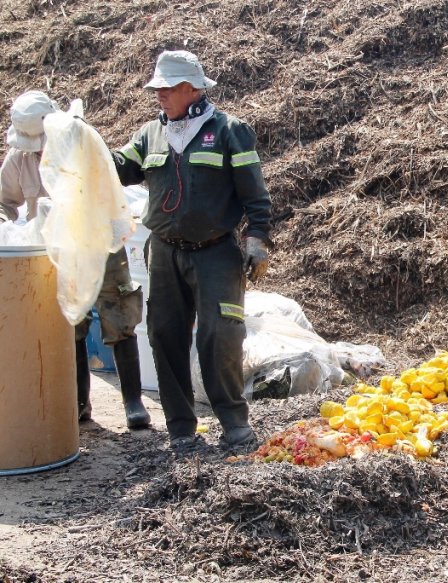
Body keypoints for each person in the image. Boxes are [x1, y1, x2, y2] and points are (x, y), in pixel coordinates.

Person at [112, 50, 273, 450]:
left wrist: (257, 239)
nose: (159, 95)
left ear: (191, 88)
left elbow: (255, 193)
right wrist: (83, 145)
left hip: (215, 252)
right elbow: (119, 167)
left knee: (220, 335)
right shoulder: (150, 133)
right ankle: (181, 428)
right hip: (164, 252)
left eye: (166, 88)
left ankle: (234, 421)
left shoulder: (229, 130)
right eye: (158, 88)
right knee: (165, 335)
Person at [0, 90, 151, 429]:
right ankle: (80, 405)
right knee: (71, 324)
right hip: (56, 253)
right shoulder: (19, 160)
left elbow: (112, 191)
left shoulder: (82, 142)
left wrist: (114, 235)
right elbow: (4, 201)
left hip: (98, 243)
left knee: (119, 313)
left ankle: (133, 402)